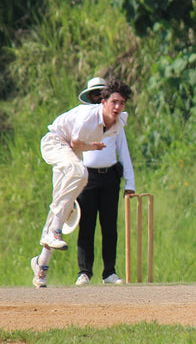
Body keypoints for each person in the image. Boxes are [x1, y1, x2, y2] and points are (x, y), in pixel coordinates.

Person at [31, 80, 133, 288]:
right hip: (56, 142)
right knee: (80, 173)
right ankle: (55, 235)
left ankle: (41, 265)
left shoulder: (119, 121)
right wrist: (93, 146)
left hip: (72, 152)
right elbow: (76, 143)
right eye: (113, 102)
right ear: (103, 102)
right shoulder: (89, 116)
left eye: (121, 103)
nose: (117, 107)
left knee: (61, 204)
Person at [74, 77, 135, 285]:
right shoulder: (86, 121)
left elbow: (123, 152)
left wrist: (130, 184)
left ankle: (109, 272)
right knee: (86, 225)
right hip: (87, 178)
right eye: (96, 95)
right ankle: (84, 272)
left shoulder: (117, 123)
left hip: (109, 176)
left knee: (109, 226)